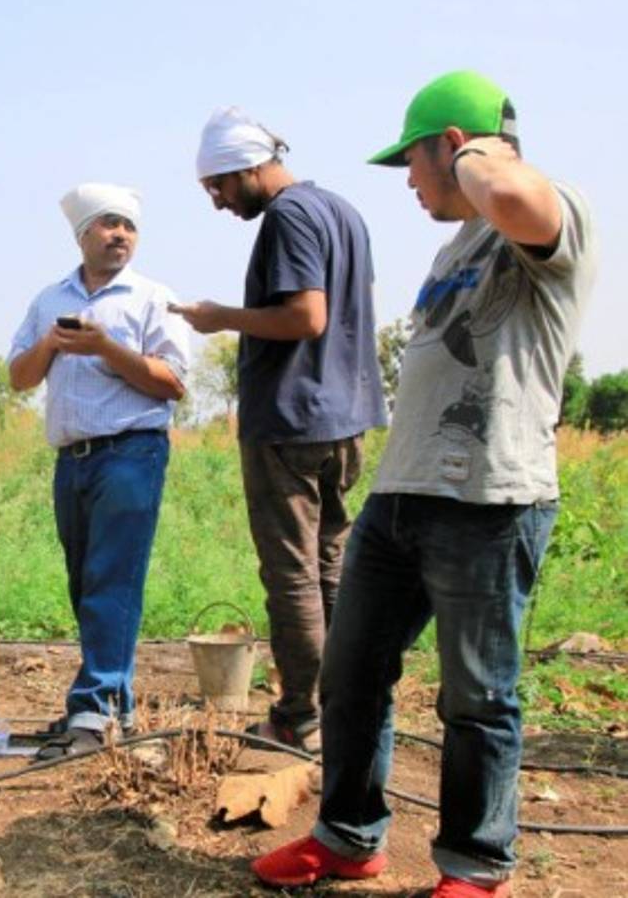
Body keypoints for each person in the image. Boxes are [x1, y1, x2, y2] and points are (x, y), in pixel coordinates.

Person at [252, 71, 596, 898]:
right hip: (401, 497)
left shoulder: (552, 211)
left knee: (477, 696)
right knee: (351, 672)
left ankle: (475, 868)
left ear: (455, 146)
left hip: (489, 501)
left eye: (412, 160)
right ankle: (346, 838)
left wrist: (477, 150)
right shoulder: (454, 249)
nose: (407, 182)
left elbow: (513, 194)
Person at [172, 107, 387, 752]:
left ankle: (299, 715)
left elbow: (306, 317)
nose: (216, 202)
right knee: (329, 566)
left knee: (292, 573)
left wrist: (219, 317)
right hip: (346, 418)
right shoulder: (342, 211)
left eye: (218, 186)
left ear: (247, 167)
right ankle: (343, 702)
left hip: (293, 421)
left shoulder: (289, 216)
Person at [8, 182, 189, 757]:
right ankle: (113, 709)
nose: (120, 235)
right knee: (87, 584)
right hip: (74, 458)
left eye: (128, 226)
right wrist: (53, 345)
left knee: (112, 581)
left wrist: (106, 348)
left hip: (131, 452)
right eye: (108, 225)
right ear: (81, 234)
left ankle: (94, 708)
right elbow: (19, 376)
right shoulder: (48, 300)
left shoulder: (152, 298)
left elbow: (174, 382)